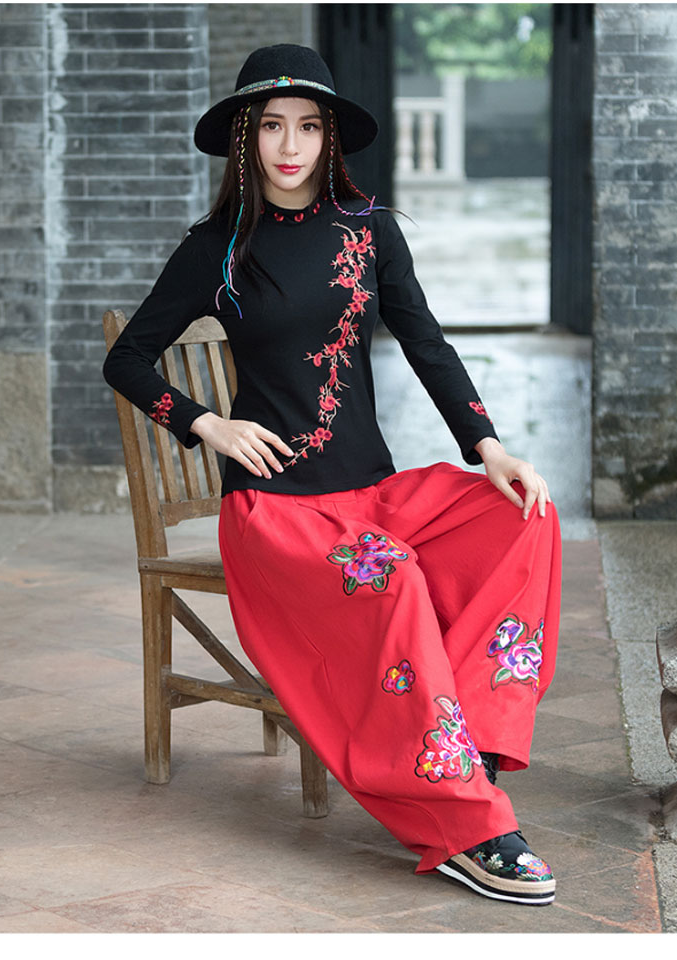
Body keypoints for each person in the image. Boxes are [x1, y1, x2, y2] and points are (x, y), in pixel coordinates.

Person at [103, 44, 562, 907]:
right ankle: (468, 824)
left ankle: (459, 741)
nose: (291, 145)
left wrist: (490, 447)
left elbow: (426, 341)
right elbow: (126, 359)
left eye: (308, 127)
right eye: (273, 126)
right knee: (392, 578)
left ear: (329, 139)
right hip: (278, 513)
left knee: (524, 514)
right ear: (246, 137)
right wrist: (208, 424)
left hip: (374, 495)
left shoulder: (369, 228)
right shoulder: (215, 249)